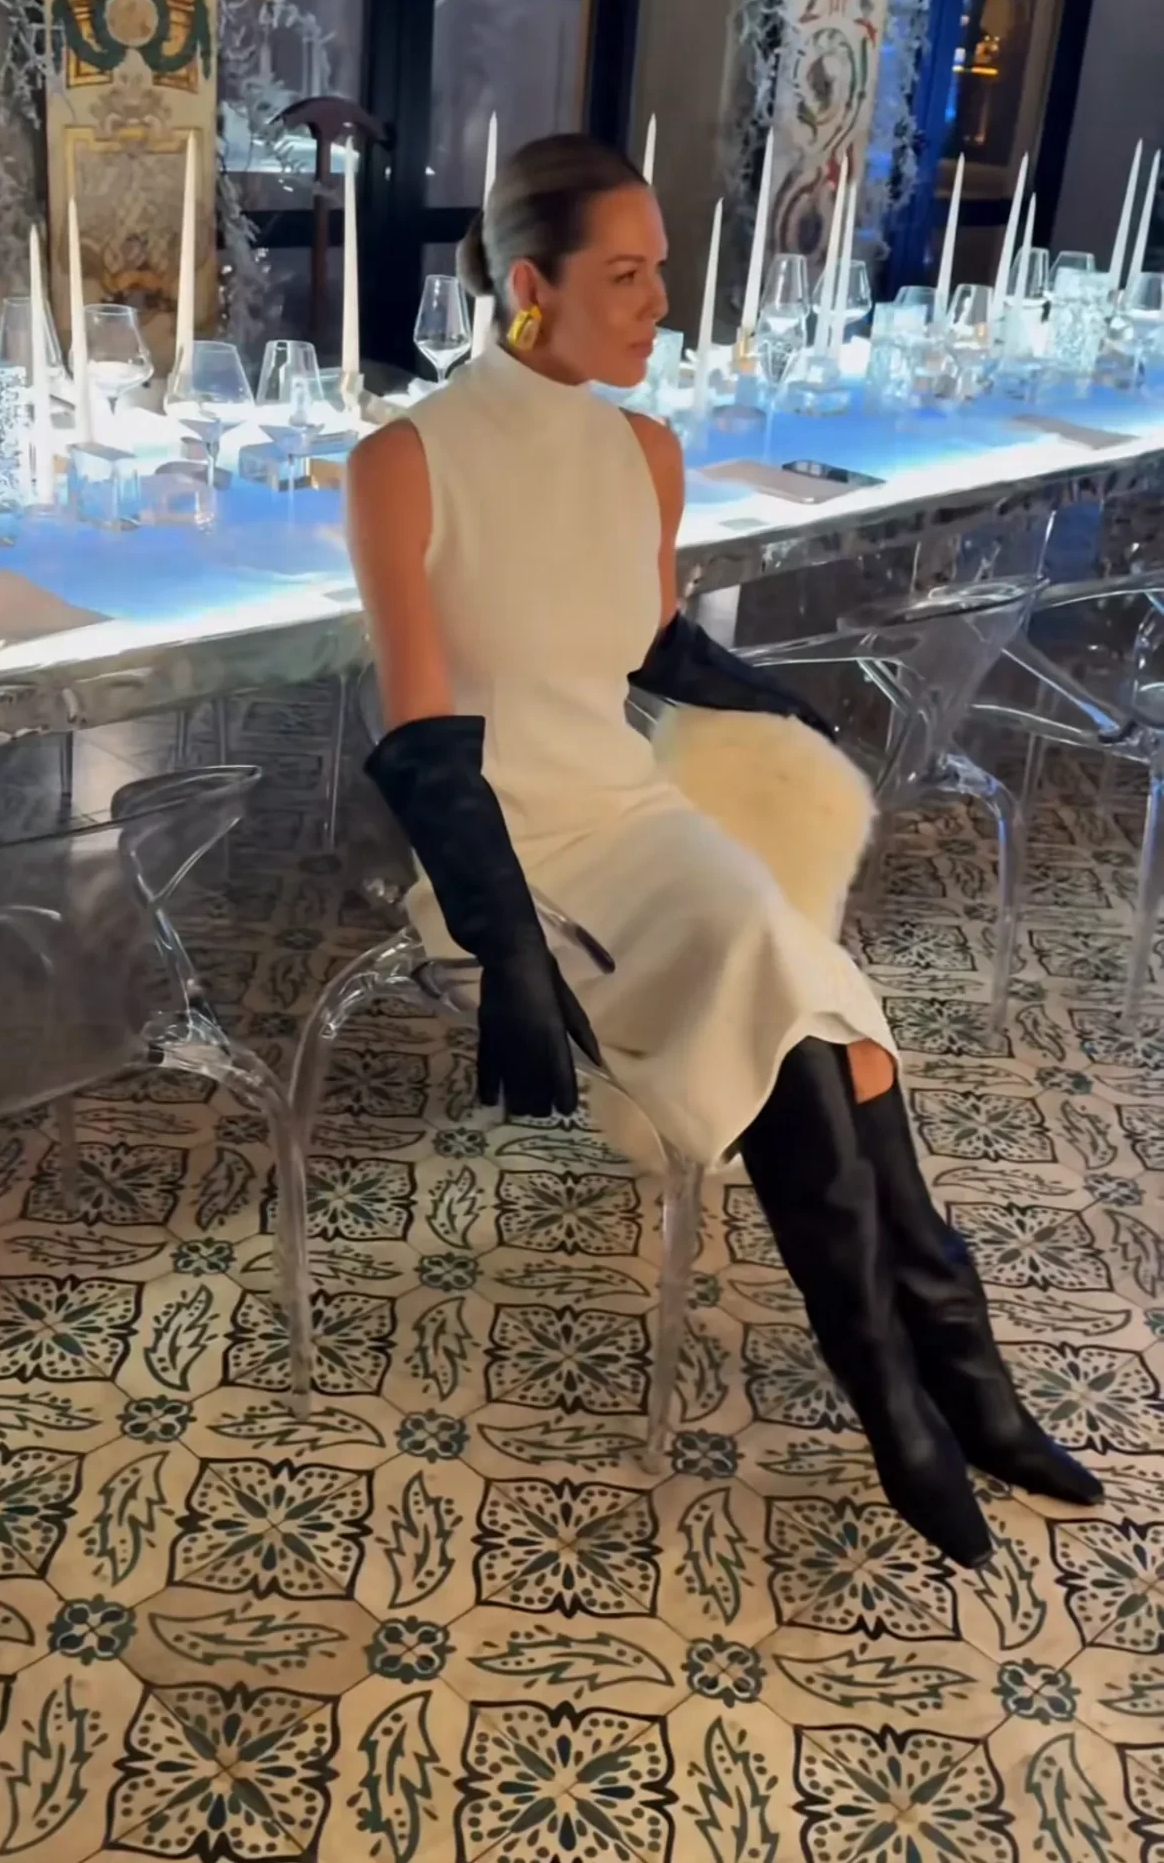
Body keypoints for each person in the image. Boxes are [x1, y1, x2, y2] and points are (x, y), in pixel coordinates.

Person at [348, 133, 1100, 1567]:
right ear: (529, 286)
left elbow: (647, 643)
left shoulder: (645, 452)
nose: (659, 304)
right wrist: (508, 946)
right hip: (507, 847)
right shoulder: (403, 463)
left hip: (631, 813)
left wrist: (779, 707)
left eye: (660, 272)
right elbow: (426, 733)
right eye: (625, 276)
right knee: (809, 1005)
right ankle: (925, 1389)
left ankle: (932, 1381)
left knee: (805, 1000)